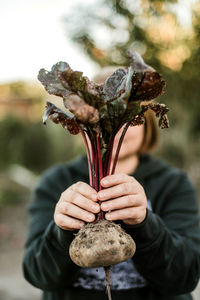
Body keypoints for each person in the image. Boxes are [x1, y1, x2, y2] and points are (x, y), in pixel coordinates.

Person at [23, 73, 200, 300]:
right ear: (82, 121)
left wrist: (145, 224)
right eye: (101, 116)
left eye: (125, 115)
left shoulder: (173, 184)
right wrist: (63, 231)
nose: (113, 125)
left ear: (145, 124)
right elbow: (37, 274)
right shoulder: (55, 182)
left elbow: (186, 277)